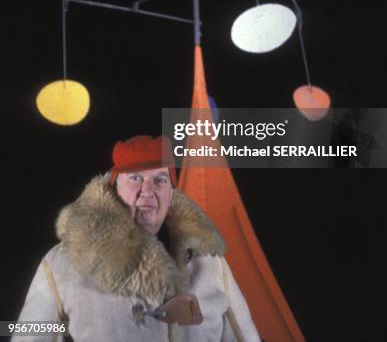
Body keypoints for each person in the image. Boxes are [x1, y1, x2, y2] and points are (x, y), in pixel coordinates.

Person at [12, 135, 260, 341]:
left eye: (160, 180)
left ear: (171, 192)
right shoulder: (63, 262)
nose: (148, 191)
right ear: (114, 187)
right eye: (135, 178)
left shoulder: (209, 263)